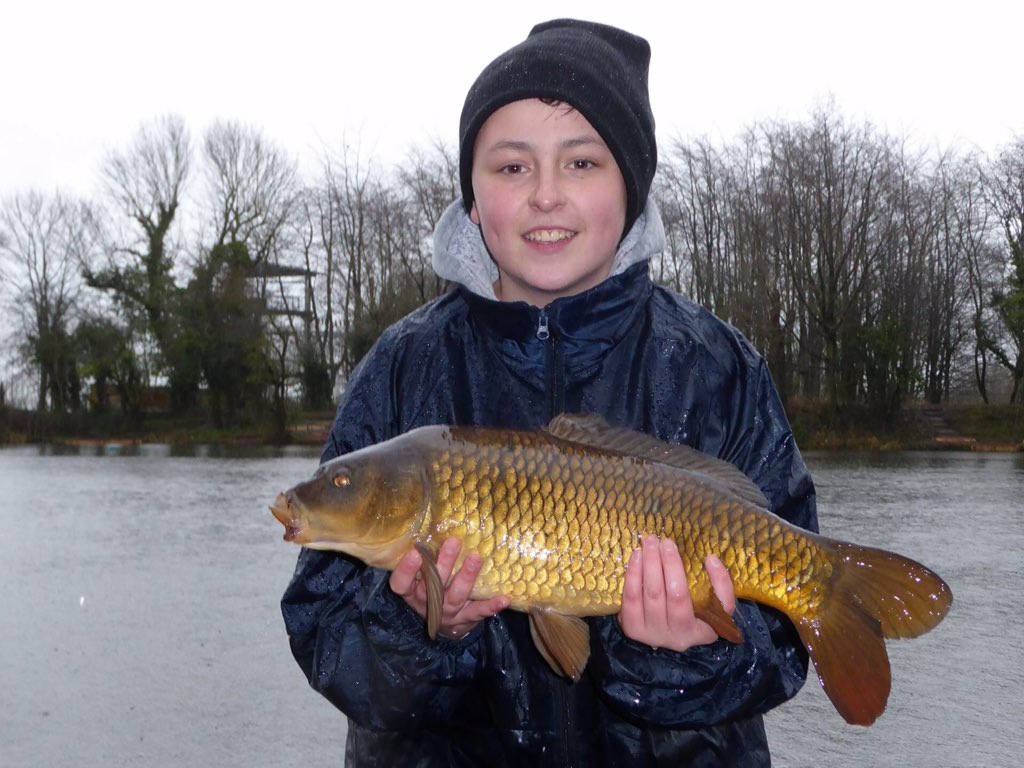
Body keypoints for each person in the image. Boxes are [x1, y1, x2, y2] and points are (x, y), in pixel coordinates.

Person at [281, 18, 817, 767]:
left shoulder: (718, 368)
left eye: (582, 162)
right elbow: (328, 641)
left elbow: (781, 653)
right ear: (473, 198)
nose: (545, 195)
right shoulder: (404, 367)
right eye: (511, 167)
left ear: (630, 189)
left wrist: (688, 653)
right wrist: (422, 628)